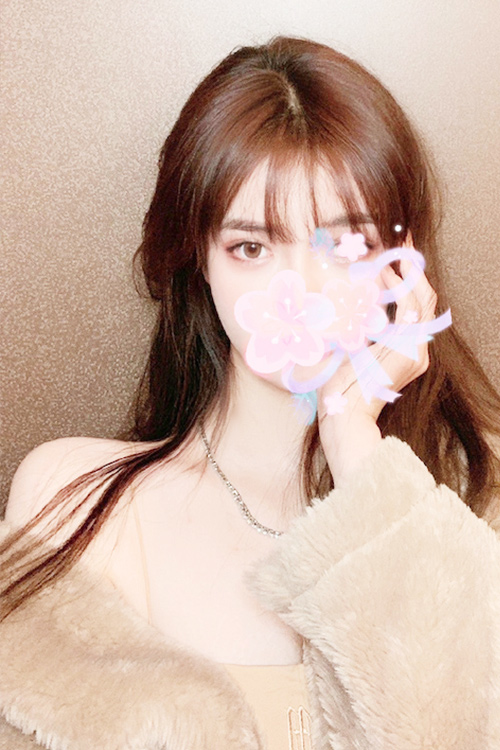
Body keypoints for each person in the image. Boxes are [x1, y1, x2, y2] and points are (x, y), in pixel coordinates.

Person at [1, 35, 500, 750]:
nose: (302, 291)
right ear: (199, 260)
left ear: (402, 259)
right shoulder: (74, 499)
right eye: (252, 247)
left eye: (345, 245)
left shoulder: (480, 500)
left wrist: (353, 443)